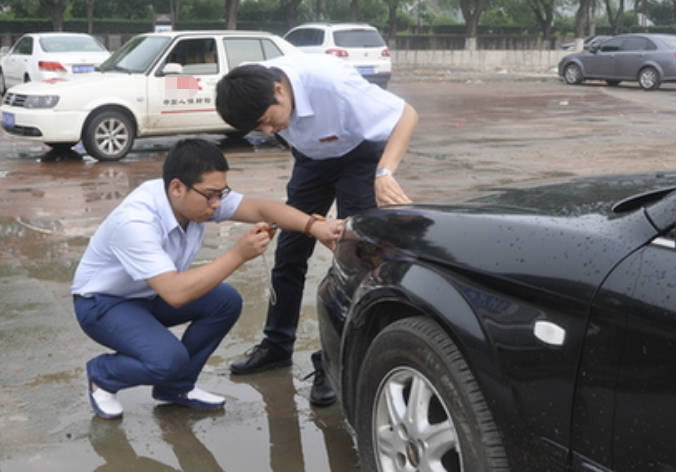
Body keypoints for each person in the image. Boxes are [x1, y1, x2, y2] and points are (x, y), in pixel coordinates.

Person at [72, 138, 341, 420]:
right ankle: (103, 375)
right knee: (167, 359)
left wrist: (315, 227)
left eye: (221, 194)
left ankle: (175, 387)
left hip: (149, 295)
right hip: (103, 304)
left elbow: (262, 209)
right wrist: (238, 254)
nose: (216, 204)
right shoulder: (136, 223)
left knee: (225, 301)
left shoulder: (195, 198)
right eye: (210, 195)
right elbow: (175, 293)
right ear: (177, 187)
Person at [216, 53, 419, 406]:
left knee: (352, 259)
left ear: (280, 90)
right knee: (290, 251)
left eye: (267, 121)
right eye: (257, 128)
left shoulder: (333, 86)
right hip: (311, 162)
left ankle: (333, 361)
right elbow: (275, 124)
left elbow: (407, 115)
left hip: (357, 156)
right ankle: (277, 345)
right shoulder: (258, 86)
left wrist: (385, 172)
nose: (268, 132)